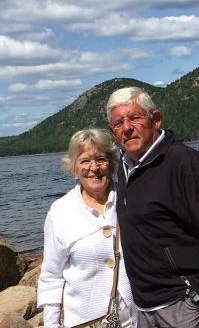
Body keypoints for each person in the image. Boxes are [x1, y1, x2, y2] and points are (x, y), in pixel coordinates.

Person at [106, 87, 199, 328]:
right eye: (119, 123)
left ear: (155, 120)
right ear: (112, 131)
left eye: (135, 118)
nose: (127, 128)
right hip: (144, 307)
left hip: (183, 306)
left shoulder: (185, 162)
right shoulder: (126, 166)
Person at [37, 128, 138, 328]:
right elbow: (51, 276)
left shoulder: (131, 199)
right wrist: (51, 324)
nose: (94, 168)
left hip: (136, 318)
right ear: (74, 168)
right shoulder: (60, 213)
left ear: (111, 163)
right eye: (85, 161)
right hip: (86, 320)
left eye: (101, 159)